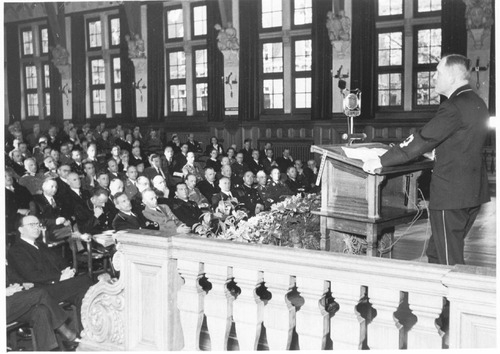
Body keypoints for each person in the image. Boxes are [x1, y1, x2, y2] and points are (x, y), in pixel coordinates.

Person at [363, 54, 490, 266]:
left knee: (449, 261)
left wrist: (382, 161)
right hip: (472, 193)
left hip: (451, 195)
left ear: (451, 76)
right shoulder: (477, 102)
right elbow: (463, 143)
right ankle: (438, 299)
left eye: (438, 72)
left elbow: (422, 139)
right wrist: (438, 152)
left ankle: (454, 299)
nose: (434, 77)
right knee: (437, 252)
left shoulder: (453, 106)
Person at [7, 216, 93, 332]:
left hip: (56, 286)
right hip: (41, 292)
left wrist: (67, 270)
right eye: (32, 225)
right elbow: (32, 275)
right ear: (21, 230)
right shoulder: (16, 250)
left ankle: (86, 333)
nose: (36, 227)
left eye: (38, 224)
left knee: (83, 294)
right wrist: (60, 277)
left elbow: (60, 261)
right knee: (86, 280)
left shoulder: (41, 244)